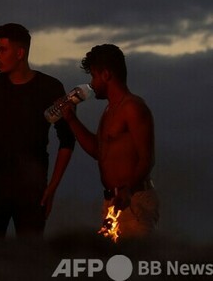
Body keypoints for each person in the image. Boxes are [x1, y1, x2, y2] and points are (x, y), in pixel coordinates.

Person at [0, 23, 75, 240]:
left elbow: (67, 140)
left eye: (2, 50)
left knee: (29, 260)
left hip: (31, 189)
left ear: (20, 53)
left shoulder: (49, 87)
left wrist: (52, 187)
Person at [61, 44, 158, 239]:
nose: (92, 84)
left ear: (106, 74)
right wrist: (71, 120)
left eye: (94, 76)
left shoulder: (133, 107)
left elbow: (147, 158)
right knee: (112, 263)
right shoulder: (109, 111)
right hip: (113, 202)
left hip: (134, 201)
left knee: (134, 262)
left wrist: (127, 189)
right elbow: (99, 152)